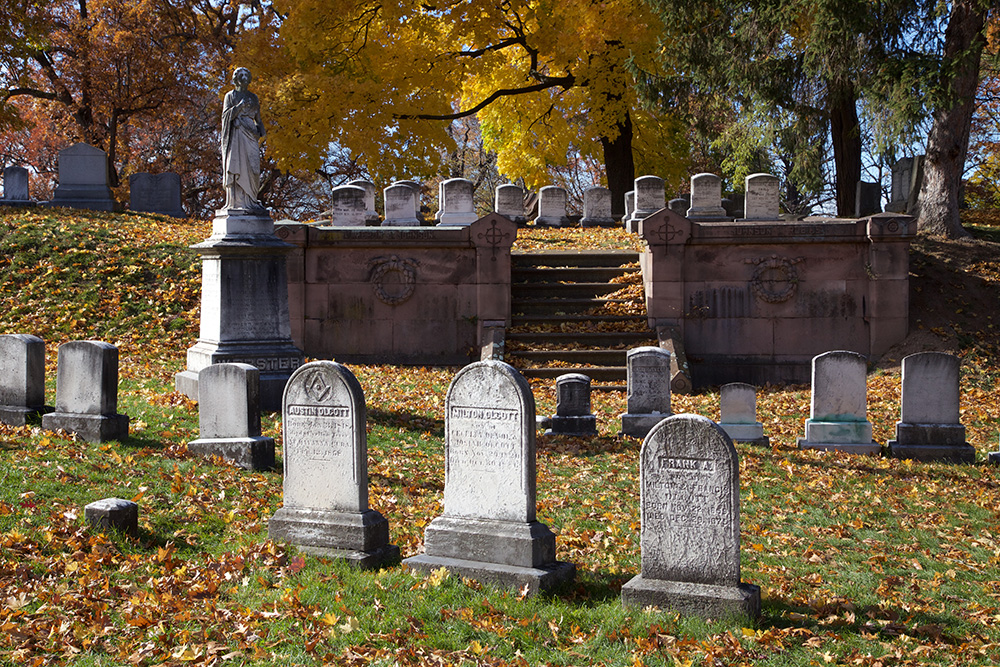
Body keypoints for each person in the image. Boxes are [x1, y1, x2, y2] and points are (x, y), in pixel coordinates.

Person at [221, 67, 266, 211]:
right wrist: (239, 107)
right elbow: (225, 117)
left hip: (251, 135)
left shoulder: (253, 97)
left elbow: (258, 118)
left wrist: (261, 130)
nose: (244, 77)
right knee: (236, 166)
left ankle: (251, 200)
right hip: (237, 133)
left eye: (247, 75)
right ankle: (237, 203)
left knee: (254, 169)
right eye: (241, 75)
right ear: (235, 78)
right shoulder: (230, 96)